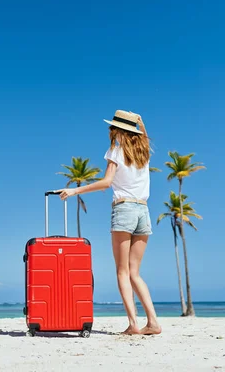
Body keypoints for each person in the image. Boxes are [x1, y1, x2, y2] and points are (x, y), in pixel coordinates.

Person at [57, 110, 162, 335]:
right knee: (135, 272)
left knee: (122, 272)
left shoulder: (116, 150)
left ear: (117, 129)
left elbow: (106, 182)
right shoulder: (144, 153)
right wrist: (140, 122)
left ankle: (134, 324)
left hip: (124, 209)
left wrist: (75, 190)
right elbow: (144, 136)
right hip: (143, 211)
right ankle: (153, 322)